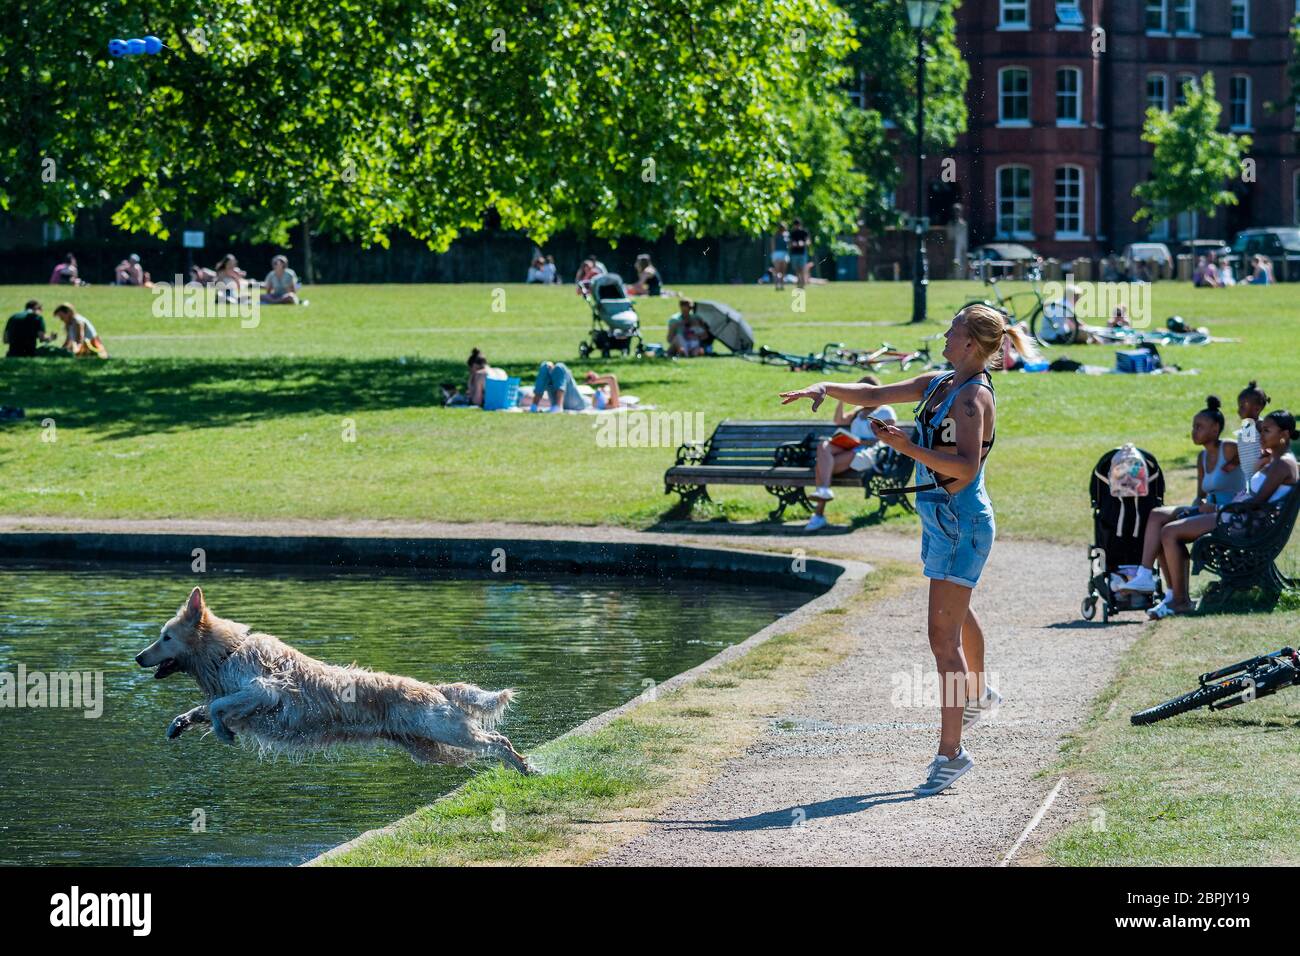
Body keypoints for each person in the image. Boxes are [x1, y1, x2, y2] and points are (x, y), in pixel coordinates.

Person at [780, 304, 1040, 796]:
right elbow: (876, 393)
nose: (944, 333)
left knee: (943, 642)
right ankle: (979, 693)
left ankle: (952, 754)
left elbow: (963, 468)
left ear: (969, 343)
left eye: (953, 329)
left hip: (960, 520)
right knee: (958, 616)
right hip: (943, 520)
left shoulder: (971, 400)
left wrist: (905, 446)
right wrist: (825, 388)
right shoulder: (941, 382)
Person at [1128, 410, 1298, 619]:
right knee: (1165, 524)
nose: (1261, 436)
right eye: (1261, 431)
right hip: (1238, 518)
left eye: (1267, 431)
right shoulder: (1276, 461)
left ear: (1285, 434)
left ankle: (1179, 601)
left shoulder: (1282, 464)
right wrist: (1260, 463)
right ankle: (1173, 597)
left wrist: (1218, 509)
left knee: (1169, 532)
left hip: (1239, 522)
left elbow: (1255, 503)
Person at [1115, 396, 1243, 611]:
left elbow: (1256, 456)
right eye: (1193, 426)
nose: (1194, 431)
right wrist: (1193, 510)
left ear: (1215, 428)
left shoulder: (1229, 448)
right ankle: (1148, 575)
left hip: (1229, 513)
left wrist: (1235, 462)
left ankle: (1178, 598)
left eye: (1199, 426)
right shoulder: (1202, 457)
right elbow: (1200, 494)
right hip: (1207, 510)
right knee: (1157, 515)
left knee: (1168, 531)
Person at [805, 374, 897, 532]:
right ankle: (823, 497)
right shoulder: (858, 412)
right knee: (824, 445)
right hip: (852, 448)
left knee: (821, 468)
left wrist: (861, 441)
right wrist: (843, 399)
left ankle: (818, 513)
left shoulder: (885, 411)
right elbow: (838, 420)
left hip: (870, 453)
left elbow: (888, 438)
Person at [788, 219, 811, 288]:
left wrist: (803, 243)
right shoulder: (792, 233)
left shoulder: (804, 232)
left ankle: (802, 283)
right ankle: (799, 282)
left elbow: (808, 242)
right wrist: (793, 244)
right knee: (797, 269)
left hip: (802, 253)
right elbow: (789, 243)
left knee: (802, 268)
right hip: (794, 253)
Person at [948, 204, 969, 279]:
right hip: (952, 247)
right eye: (955, 211)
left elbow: (965, 238)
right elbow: (949, 237)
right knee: (952, 264)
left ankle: (960, 278)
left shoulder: (963, 224)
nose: (956, 213)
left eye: (958, 211)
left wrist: (965, 249)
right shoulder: (950, 224)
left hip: (961, 247)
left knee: (961, 264)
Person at [770, 223, 790, 291]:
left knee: (783, 271)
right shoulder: (775, 235)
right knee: (777, 271)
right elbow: (773, 245)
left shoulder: (787, 235)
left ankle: (782, 285)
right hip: (777, 253)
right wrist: (773, 254)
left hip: (784, 253)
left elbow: (788, 245)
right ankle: (777, 285)